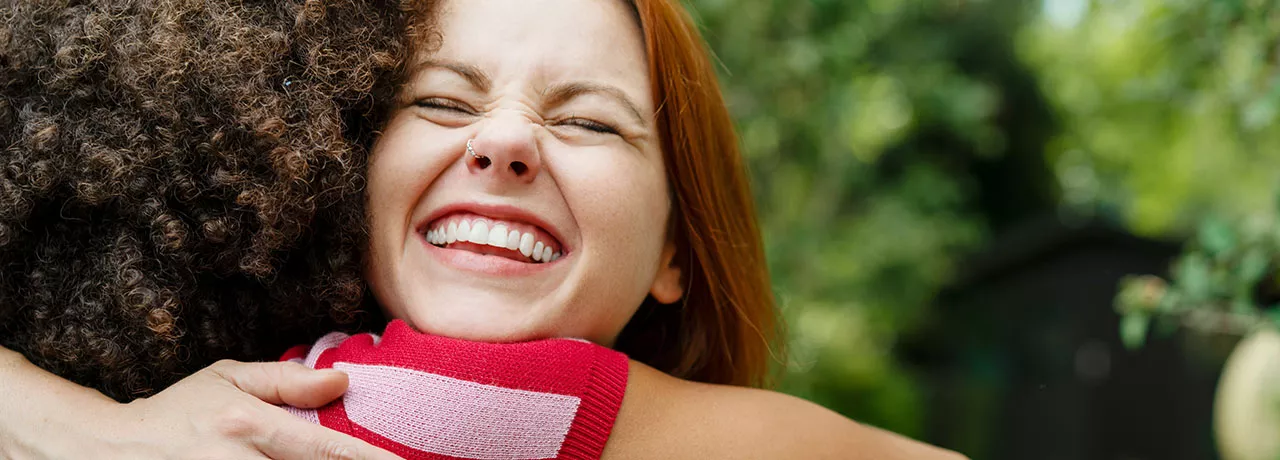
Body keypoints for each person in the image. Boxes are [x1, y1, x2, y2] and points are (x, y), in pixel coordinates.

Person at [0, 0, 966, 458]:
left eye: (589, 121)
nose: (505, 141)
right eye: (439, 103)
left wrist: (94, 435)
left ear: (679, 249)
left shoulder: (516, 407)